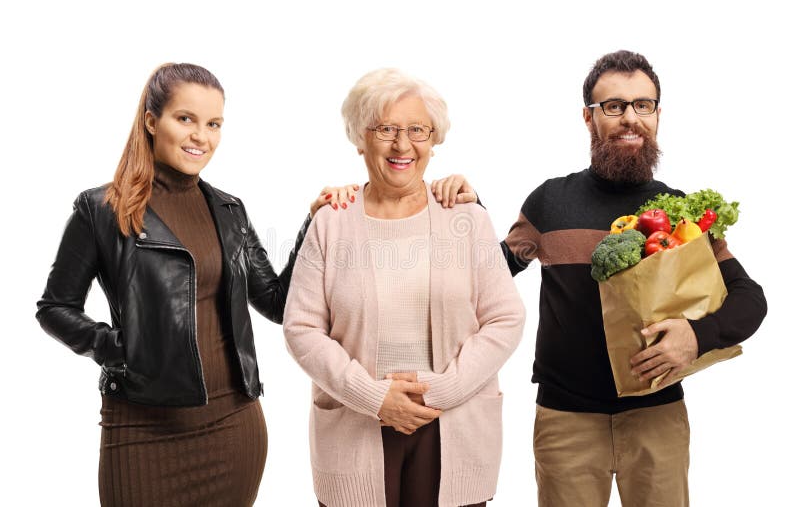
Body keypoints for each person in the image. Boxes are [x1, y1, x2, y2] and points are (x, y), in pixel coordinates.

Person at [452, 50, 768, 506]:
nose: (630, 118)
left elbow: (749, 298)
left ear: (658, 114)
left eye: (643, 105)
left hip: (657, 419)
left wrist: (698, 336)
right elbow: (485, 277)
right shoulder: (549, 203)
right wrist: (467, 210)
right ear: (588, 118)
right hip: (566, 422)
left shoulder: (684, 216)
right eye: (614, 106)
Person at [35, 62, 358, 506]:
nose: (200, 136)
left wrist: (313, 221)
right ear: (152, 121)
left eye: (214, 124)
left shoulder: (229, 211)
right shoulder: (101, 210)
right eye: (185, 119)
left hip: (234, 425)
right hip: (140, 429)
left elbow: (278, 302)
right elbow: (54, 308)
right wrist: (121, 348)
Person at [282, 68, 526, 507]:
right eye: (386, 129)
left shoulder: (467, 219)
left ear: (434, 139)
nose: (402, 145)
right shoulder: (330, 223)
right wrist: (374, 397)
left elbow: (506, 318)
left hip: (456, 422)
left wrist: (443, 388)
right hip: (355, 425)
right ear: (360, 138)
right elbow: (301, 329)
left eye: (417, 130)